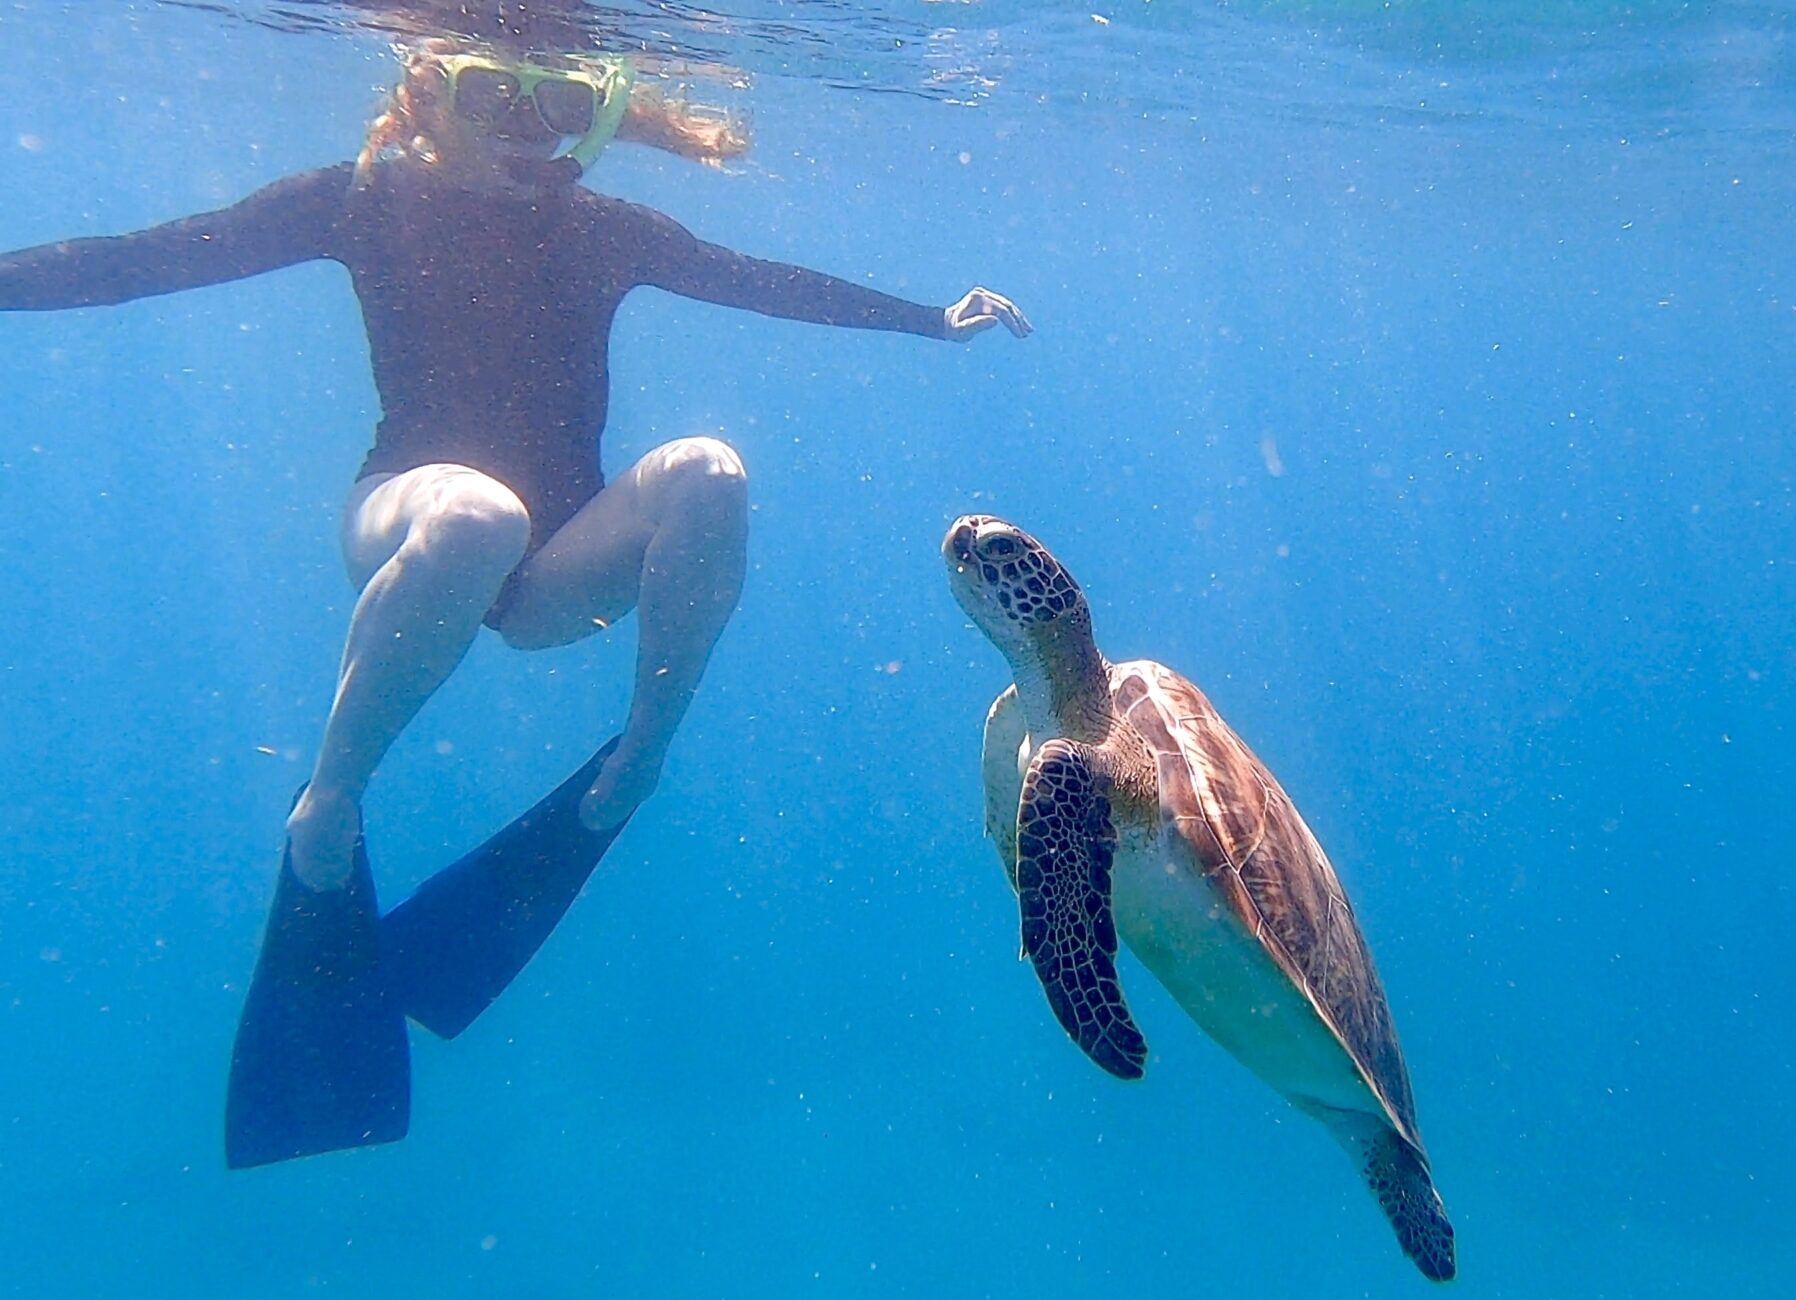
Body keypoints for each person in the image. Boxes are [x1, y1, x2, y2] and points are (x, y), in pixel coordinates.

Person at [0, 43, 1031, 1168]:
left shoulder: (607, 229)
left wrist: (930, 320)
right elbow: (150, 260)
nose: (527, 123)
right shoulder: (359, 202)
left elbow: (760, 281)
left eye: (563, 101)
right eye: (497, 93)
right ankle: (330, 808)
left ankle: (633, 764)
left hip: (558, 571)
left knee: (711, 473)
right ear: (430, 93)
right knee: (475, 518)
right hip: (412, 514)